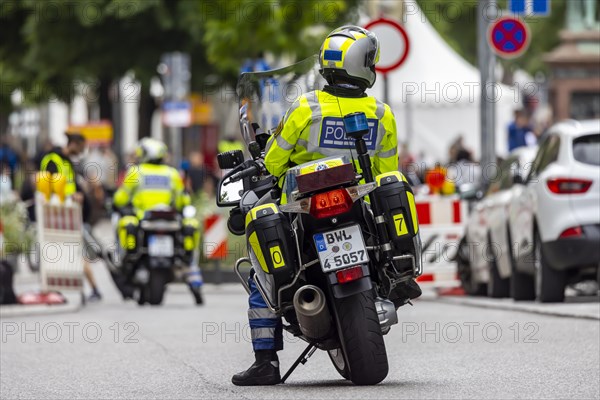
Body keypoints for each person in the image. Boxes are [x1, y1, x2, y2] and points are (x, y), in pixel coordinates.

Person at [232, 25, 421, 386]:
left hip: (304, 209)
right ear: (362, 65)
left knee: (261, 276)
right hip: (356, 205)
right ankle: (399, 275)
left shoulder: (306, 107)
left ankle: (266, 361)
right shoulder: (381, 114)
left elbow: (272, 163)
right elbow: (386, 172)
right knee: (393, 195)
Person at [112, 138, 199, 294]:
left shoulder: (136, 171)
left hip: (144, 219)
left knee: (125, 223)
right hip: (169, 220)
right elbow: (182, 200)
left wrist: (117, 202)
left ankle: (126, 256)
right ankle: (186, 259)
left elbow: (121, 198)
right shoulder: (172, 173)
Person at [39, 133, 103, 301]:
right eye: (80, 148)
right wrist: (71, 197)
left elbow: (71, 185)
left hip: (70, 215)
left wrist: (78, 195)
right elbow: (50, 187)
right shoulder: (53, 159)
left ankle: (90, 289)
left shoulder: (67, 162)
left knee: (75, 251)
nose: (81, 152)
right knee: (65, 252)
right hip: (57, 215)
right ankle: (56, 290)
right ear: (73, 144)